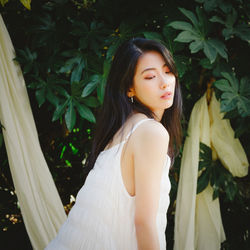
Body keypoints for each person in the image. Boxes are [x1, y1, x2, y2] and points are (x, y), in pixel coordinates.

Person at [45, 37, 182, 250]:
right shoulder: (151, 132)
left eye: (168, 71)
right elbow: (144, 224)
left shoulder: (124, 129)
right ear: (130, 89)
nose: (165, 82)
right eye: (151, 76)